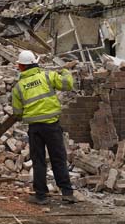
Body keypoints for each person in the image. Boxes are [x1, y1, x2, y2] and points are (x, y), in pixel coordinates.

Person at [11, 50, 78, 205]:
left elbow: (17, 113)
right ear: (35, 63)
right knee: (58, 159)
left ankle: (41, 195)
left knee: (38, 161)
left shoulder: (18, 87)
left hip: (35, 129)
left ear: (21, 67)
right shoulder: (48, 76)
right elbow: (68, 84)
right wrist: (66, 71)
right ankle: (67, 193)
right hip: (52, 125)